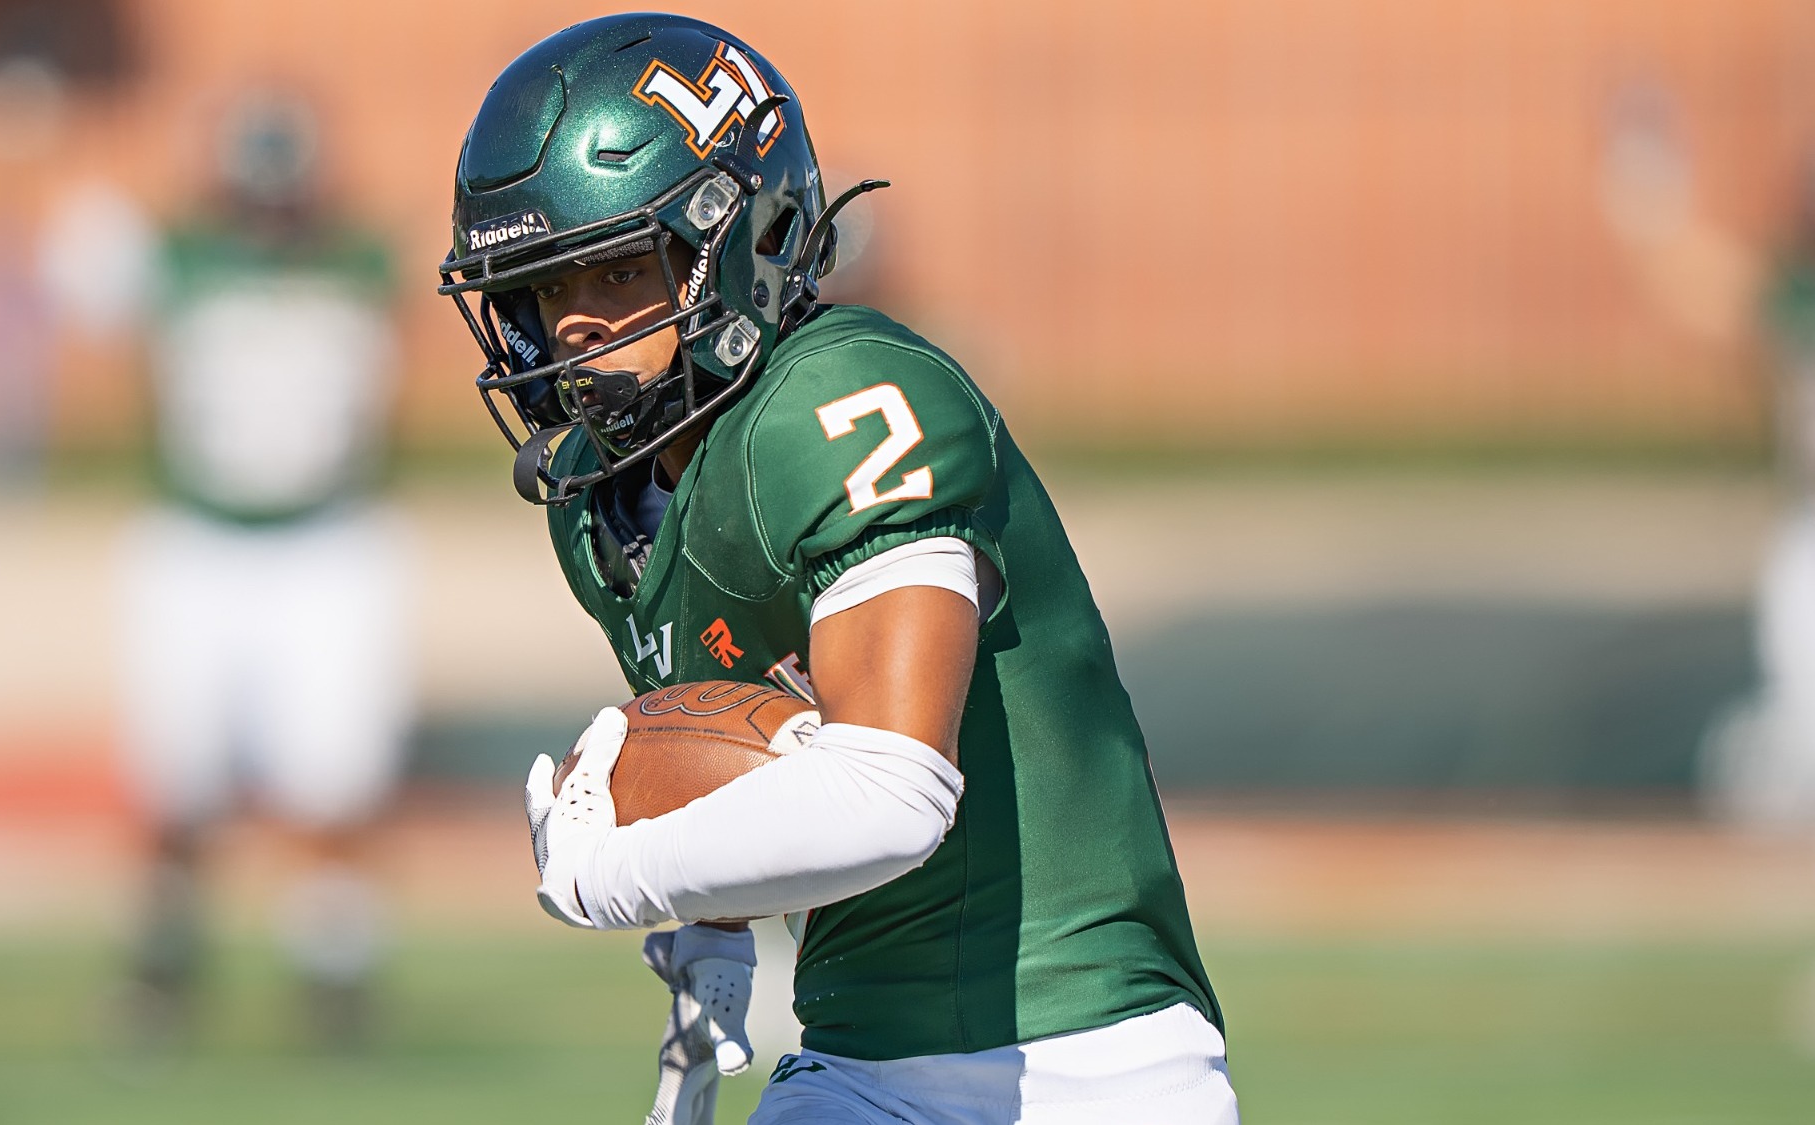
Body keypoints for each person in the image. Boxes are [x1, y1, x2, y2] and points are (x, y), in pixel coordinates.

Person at [438, 14, 1234, 1123]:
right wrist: (711, 929)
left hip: (1082, 1060)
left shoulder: (840, 398)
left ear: (734, 235)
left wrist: (610, 874)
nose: (572, 322)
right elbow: (743, 736)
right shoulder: (603, 502)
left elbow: (890, 792)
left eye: (616, 266)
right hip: (856, 1055)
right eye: (534, 286)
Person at [115, 90, 413, 1052]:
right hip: (197, 539)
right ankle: (162, 971)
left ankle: (335, 978)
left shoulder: (360, 260)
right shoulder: (177, 258)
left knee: (336, 780)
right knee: (177, 782)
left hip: (329, 537)